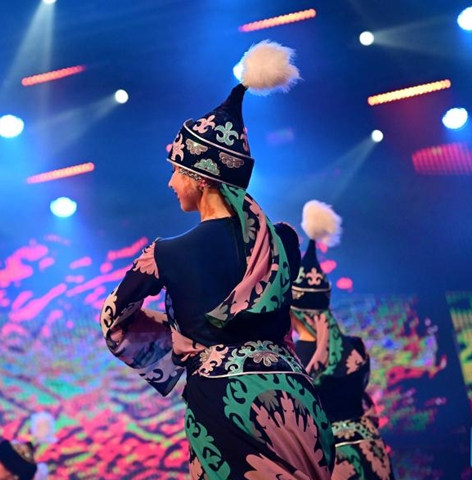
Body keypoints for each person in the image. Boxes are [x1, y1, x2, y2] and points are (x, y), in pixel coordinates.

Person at [99, 41, 334, 480]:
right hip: (297, 399)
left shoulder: (165, 253)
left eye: (176, 169)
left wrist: (178, 338)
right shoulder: (283, 239)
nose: (170, 182)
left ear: (200, 178)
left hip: (229, 402)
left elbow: (114, 318)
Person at [290, 200, 395, 480]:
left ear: (294, 311)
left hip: (332, 459)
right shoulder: (356, 348)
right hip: (371, 451)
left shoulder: (295, 358)